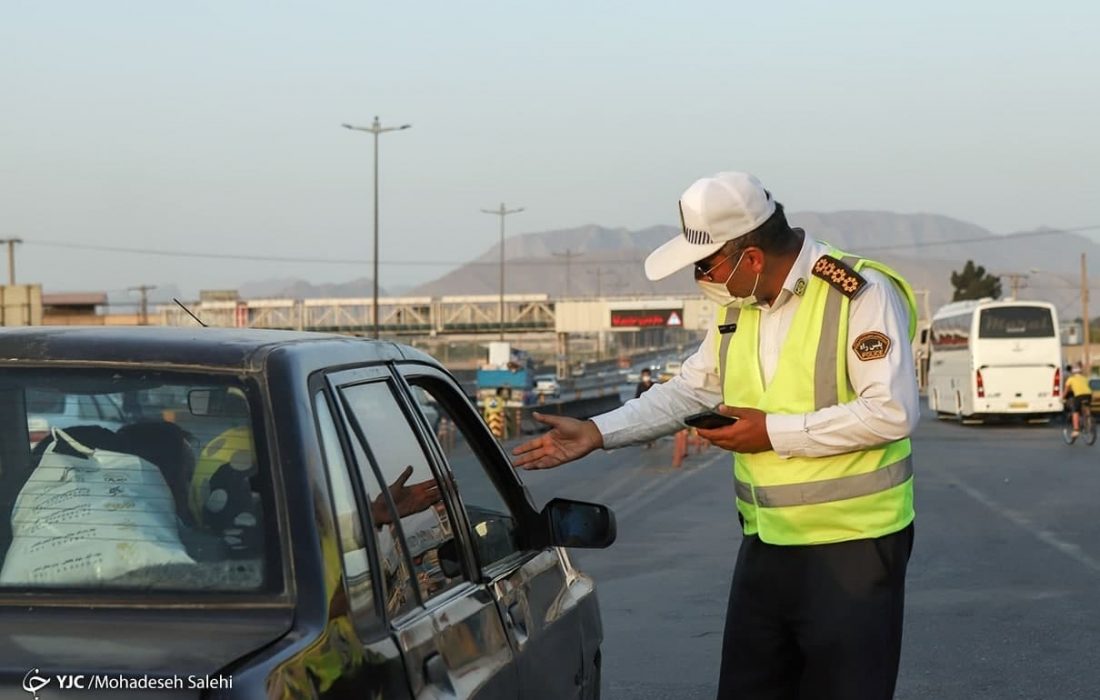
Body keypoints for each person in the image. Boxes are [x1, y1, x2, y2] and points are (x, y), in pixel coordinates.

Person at [512, 171, 919, 700]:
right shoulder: (737, 310)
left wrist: (772, 432)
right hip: (768, 543)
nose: (700, 277)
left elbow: (891, 411)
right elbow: (690, 392)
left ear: (750, 257)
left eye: (705, 264)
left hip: (855, 548)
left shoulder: (857, 294)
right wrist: (597, 431)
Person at [1063, 364, 1090, 437]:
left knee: (1075, 412)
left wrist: (1062, 397)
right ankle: (1088, 419)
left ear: (1072, 372)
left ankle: (1076, 430)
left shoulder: (1071, 379)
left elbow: (1066, 390)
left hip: (1079, 395)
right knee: (1086, 406)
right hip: (1088, 394)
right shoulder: (1085, 378)